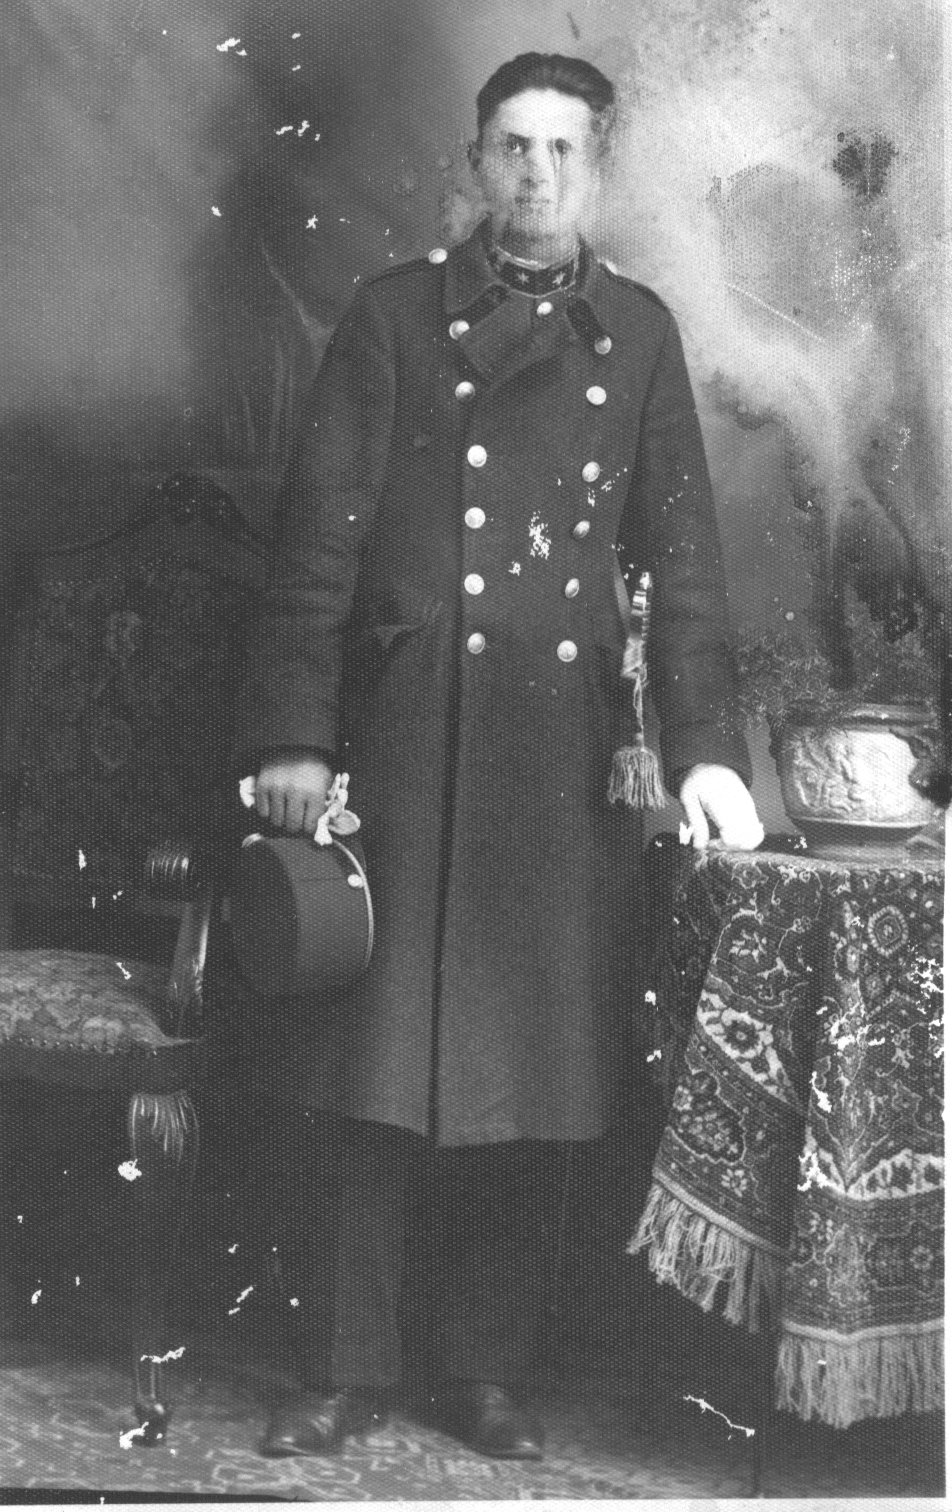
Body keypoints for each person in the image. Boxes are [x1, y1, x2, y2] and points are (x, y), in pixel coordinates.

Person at [236, 52, 764, 1462]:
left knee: (532, 1070)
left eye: (564, 149)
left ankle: (478, 1370)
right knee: (369, 1066)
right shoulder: (393, 315)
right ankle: (343, 1367)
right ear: (476, 162)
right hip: (407, 735)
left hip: (561, 753)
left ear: (600, 167)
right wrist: (294, 734)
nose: (537, 174)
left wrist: (706, 751)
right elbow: (319, 541)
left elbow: (684, 561)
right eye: (514, 147)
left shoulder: (638, 334)